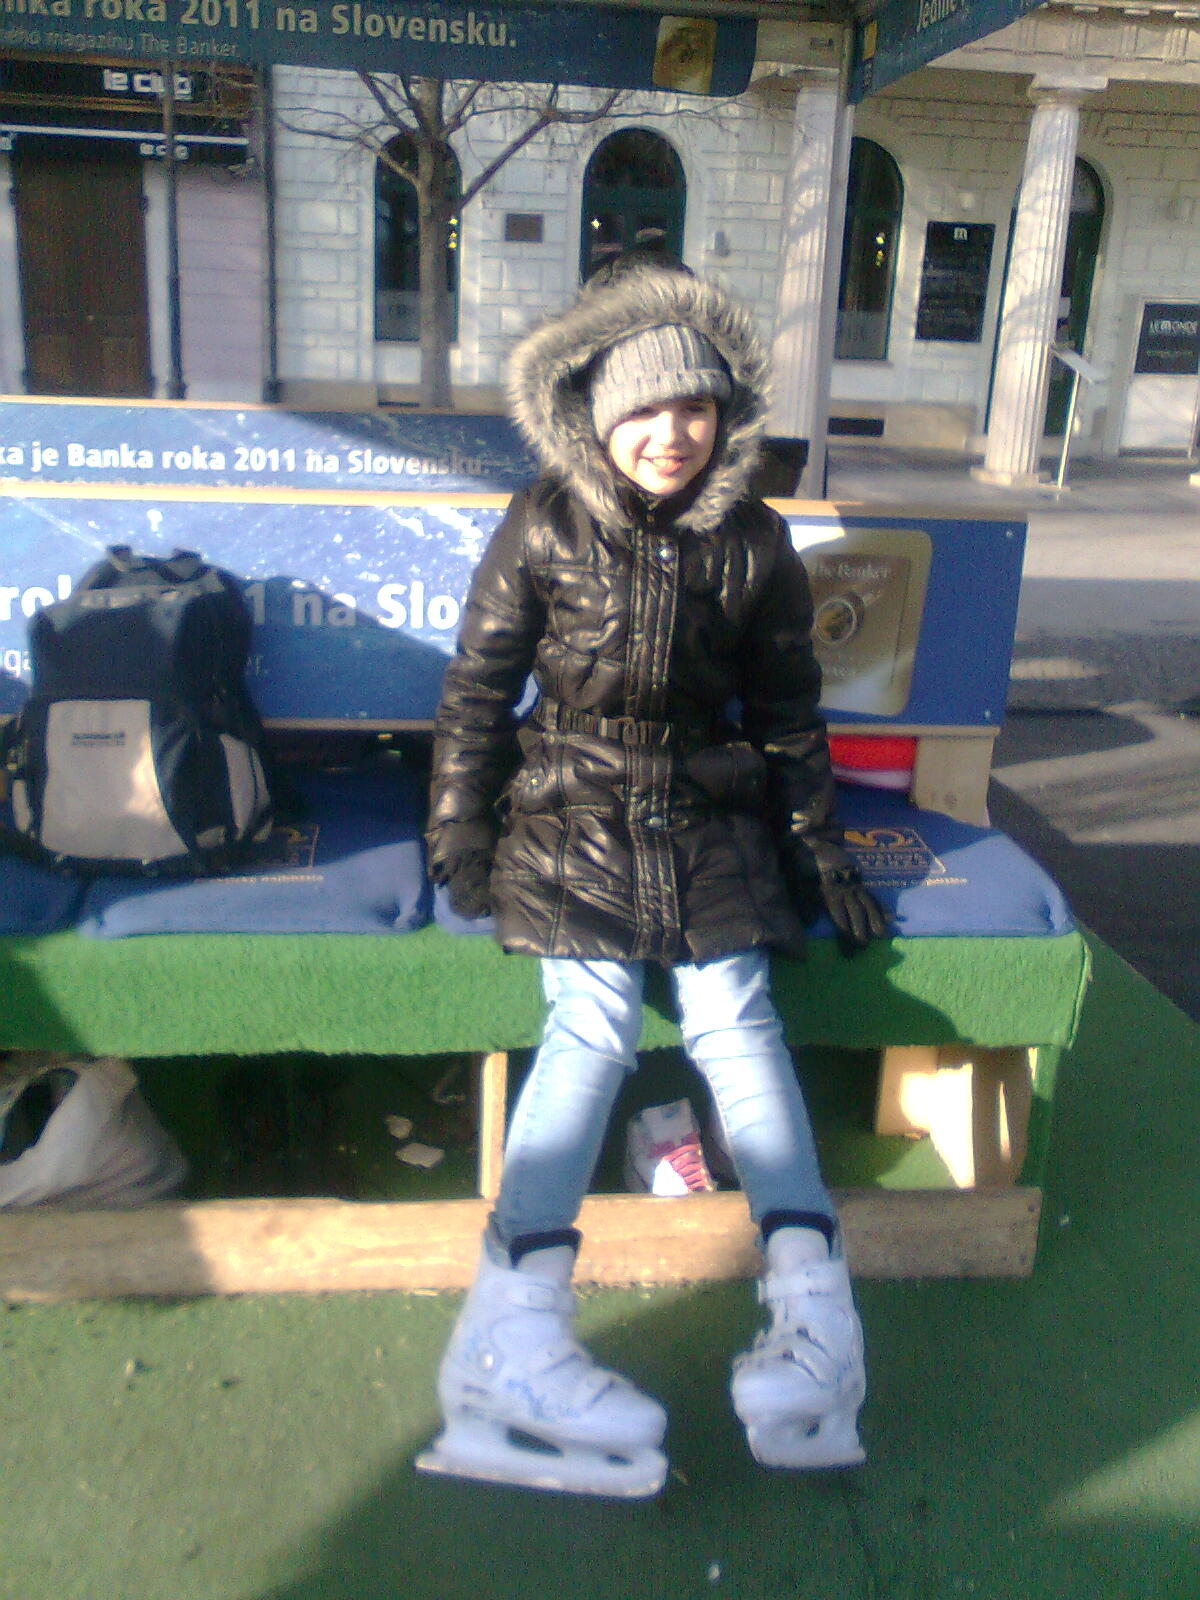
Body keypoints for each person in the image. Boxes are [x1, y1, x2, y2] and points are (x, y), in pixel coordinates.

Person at [417, 252, 888, 1498]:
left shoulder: (756, 542)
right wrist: (458, 828)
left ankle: (818, 1316)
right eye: (643, 408)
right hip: (568, 804)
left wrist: (817, 845)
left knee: (737, 1012)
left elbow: (787, 714)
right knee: (594, 1018)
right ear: (595, 412)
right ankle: (511, 1332)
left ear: (725, 416)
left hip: (702, 810)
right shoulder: (543, 522)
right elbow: (477, 691)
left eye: (695, 406)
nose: (670, 433)